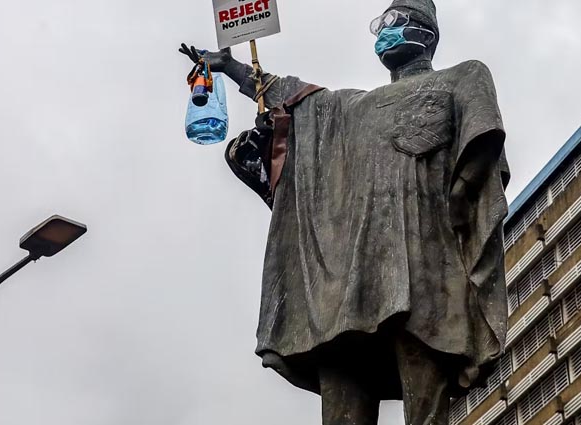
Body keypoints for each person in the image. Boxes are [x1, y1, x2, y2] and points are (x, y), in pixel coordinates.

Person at [181, 1, 510, 424]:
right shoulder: (350, 108)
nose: (382, 34)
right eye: (378, 27)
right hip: (349, 284)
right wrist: (234, 68)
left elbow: (481, 151)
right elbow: (300, 97)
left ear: (425, 34)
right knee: (341, 398)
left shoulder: (463, 76)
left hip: (425, 265)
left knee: (426, 408)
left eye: (392, 24)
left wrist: (458, 213)